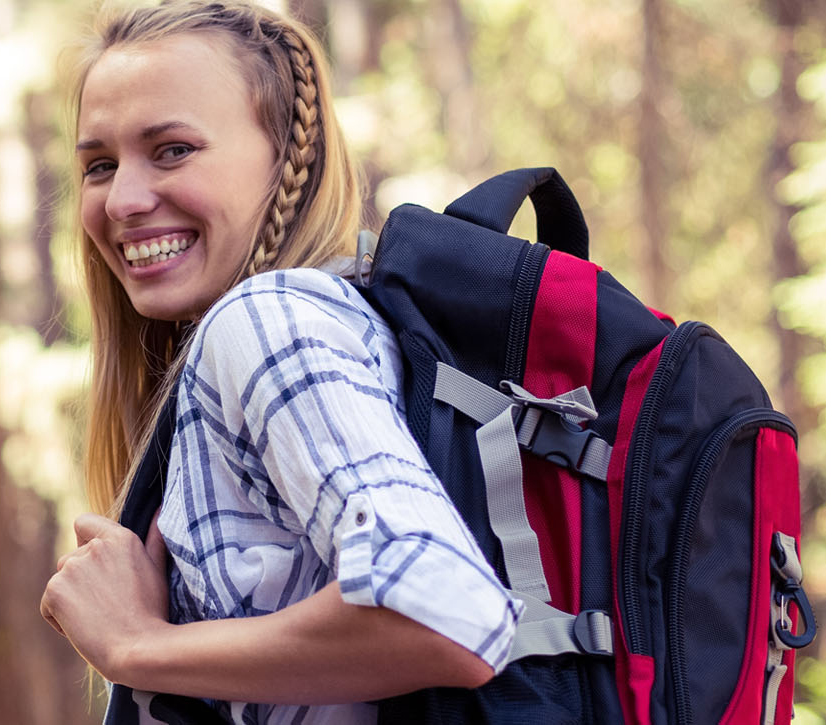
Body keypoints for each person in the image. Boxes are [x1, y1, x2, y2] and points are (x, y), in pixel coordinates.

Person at [37, 2, 520, 722]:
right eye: (100, 165)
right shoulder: (322, 324)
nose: (124, 200)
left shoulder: (264, 320)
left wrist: (134, 644)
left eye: (171, 149)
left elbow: (442, 606)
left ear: (285, 155)